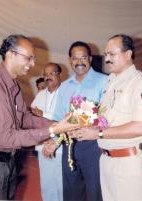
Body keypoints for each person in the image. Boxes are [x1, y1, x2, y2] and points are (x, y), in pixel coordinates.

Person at [0, 34, 79, 200]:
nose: (32, 64)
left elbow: (24, 117)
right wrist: (53, 130)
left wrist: (56, 124)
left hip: (5, 163)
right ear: (11, 55)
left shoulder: (12, 84)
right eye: (29, 58)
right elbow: (8, 137)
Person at [70, 34, 142, 201]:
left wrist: (99, 134)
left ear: (128, 54)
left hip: (129, 162)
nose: (107, 59)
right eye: (106, 54)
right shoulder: (111, 83)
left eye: (112, 54)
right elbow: (108, 119)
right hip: (106, 160)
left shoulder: (141, 83)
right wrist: (86, 125)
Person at [44, 41, 107, 201]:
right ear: (70, 60)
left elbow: (109, 116)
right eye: (75, 58)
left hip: (94, 146)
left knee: (96, 192)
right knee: (71, 192)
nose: (79, 62)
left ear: (90, 59)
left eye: (83, 58)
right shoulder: (64, 87)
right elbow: (58, 120)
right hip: (69, 146)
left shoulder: (105, 81)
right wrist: (55, 142)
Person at [30, 62, 63, 201]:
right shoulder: (40, 94)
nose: (48, 77)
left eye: (51, 73)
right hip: (42, 143)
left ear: (59, 75)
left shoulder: (66, 92)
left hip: (60, 145)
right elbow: (32, 114)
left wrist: (43, 113)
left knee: (60, 183)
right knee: (46, 184)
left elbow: (66, 118)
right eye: (45, 74)